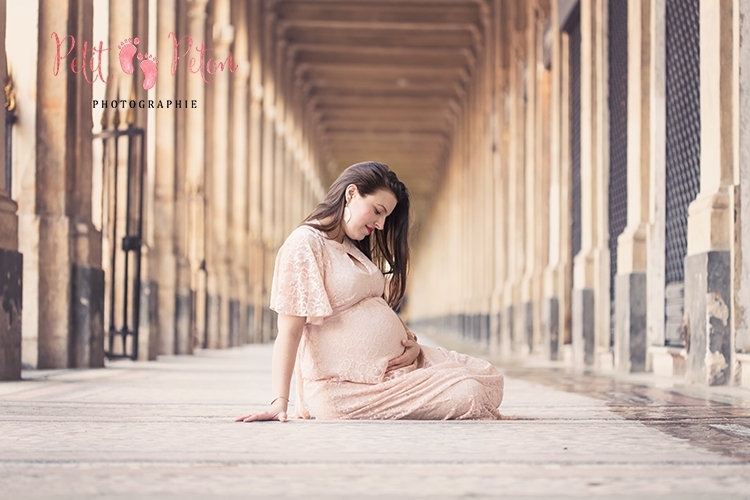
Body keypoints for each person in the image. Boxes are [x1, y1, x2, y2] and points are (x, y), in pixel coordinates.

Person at [235, 161, 504, 422]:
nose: (381, 225)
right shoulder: (305, 245)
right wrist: (278, 403)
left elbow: (375, 306)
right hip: (348, 387)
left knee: (487, 375)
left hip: (394, 371)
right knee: (470, 392)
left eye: (385, 216)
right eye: (378, 211)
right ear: (351, 193)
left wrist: (412, 345)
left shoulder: (351, 247)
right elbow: (290, 330)